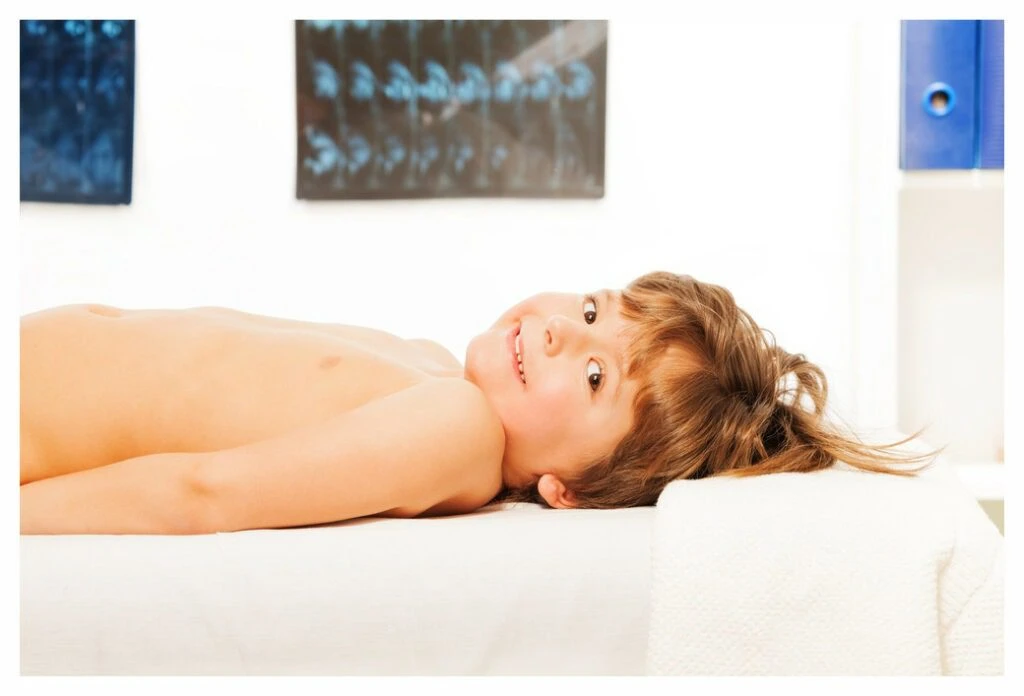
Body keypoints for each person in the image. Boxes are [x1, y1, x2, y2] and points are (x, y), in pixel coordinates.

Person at [19, 271, 934, 535]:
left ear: (566, 488)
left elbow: (207, 493)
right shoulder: (428, 369)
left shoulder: (455, 430)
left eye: (594, 378)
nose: (561, 336)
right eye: (588, 311)